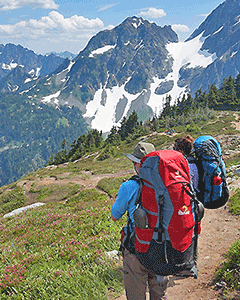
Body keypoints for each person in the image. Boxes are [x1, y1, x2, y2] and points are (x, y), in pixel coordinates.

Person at [111, 142, 168, 300]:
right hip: (162, 250)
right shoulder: (168, 183)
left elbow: (114, 215)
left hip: (137, 249)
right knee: (159, 295)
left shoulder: (129, 186)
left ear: (137, 164)